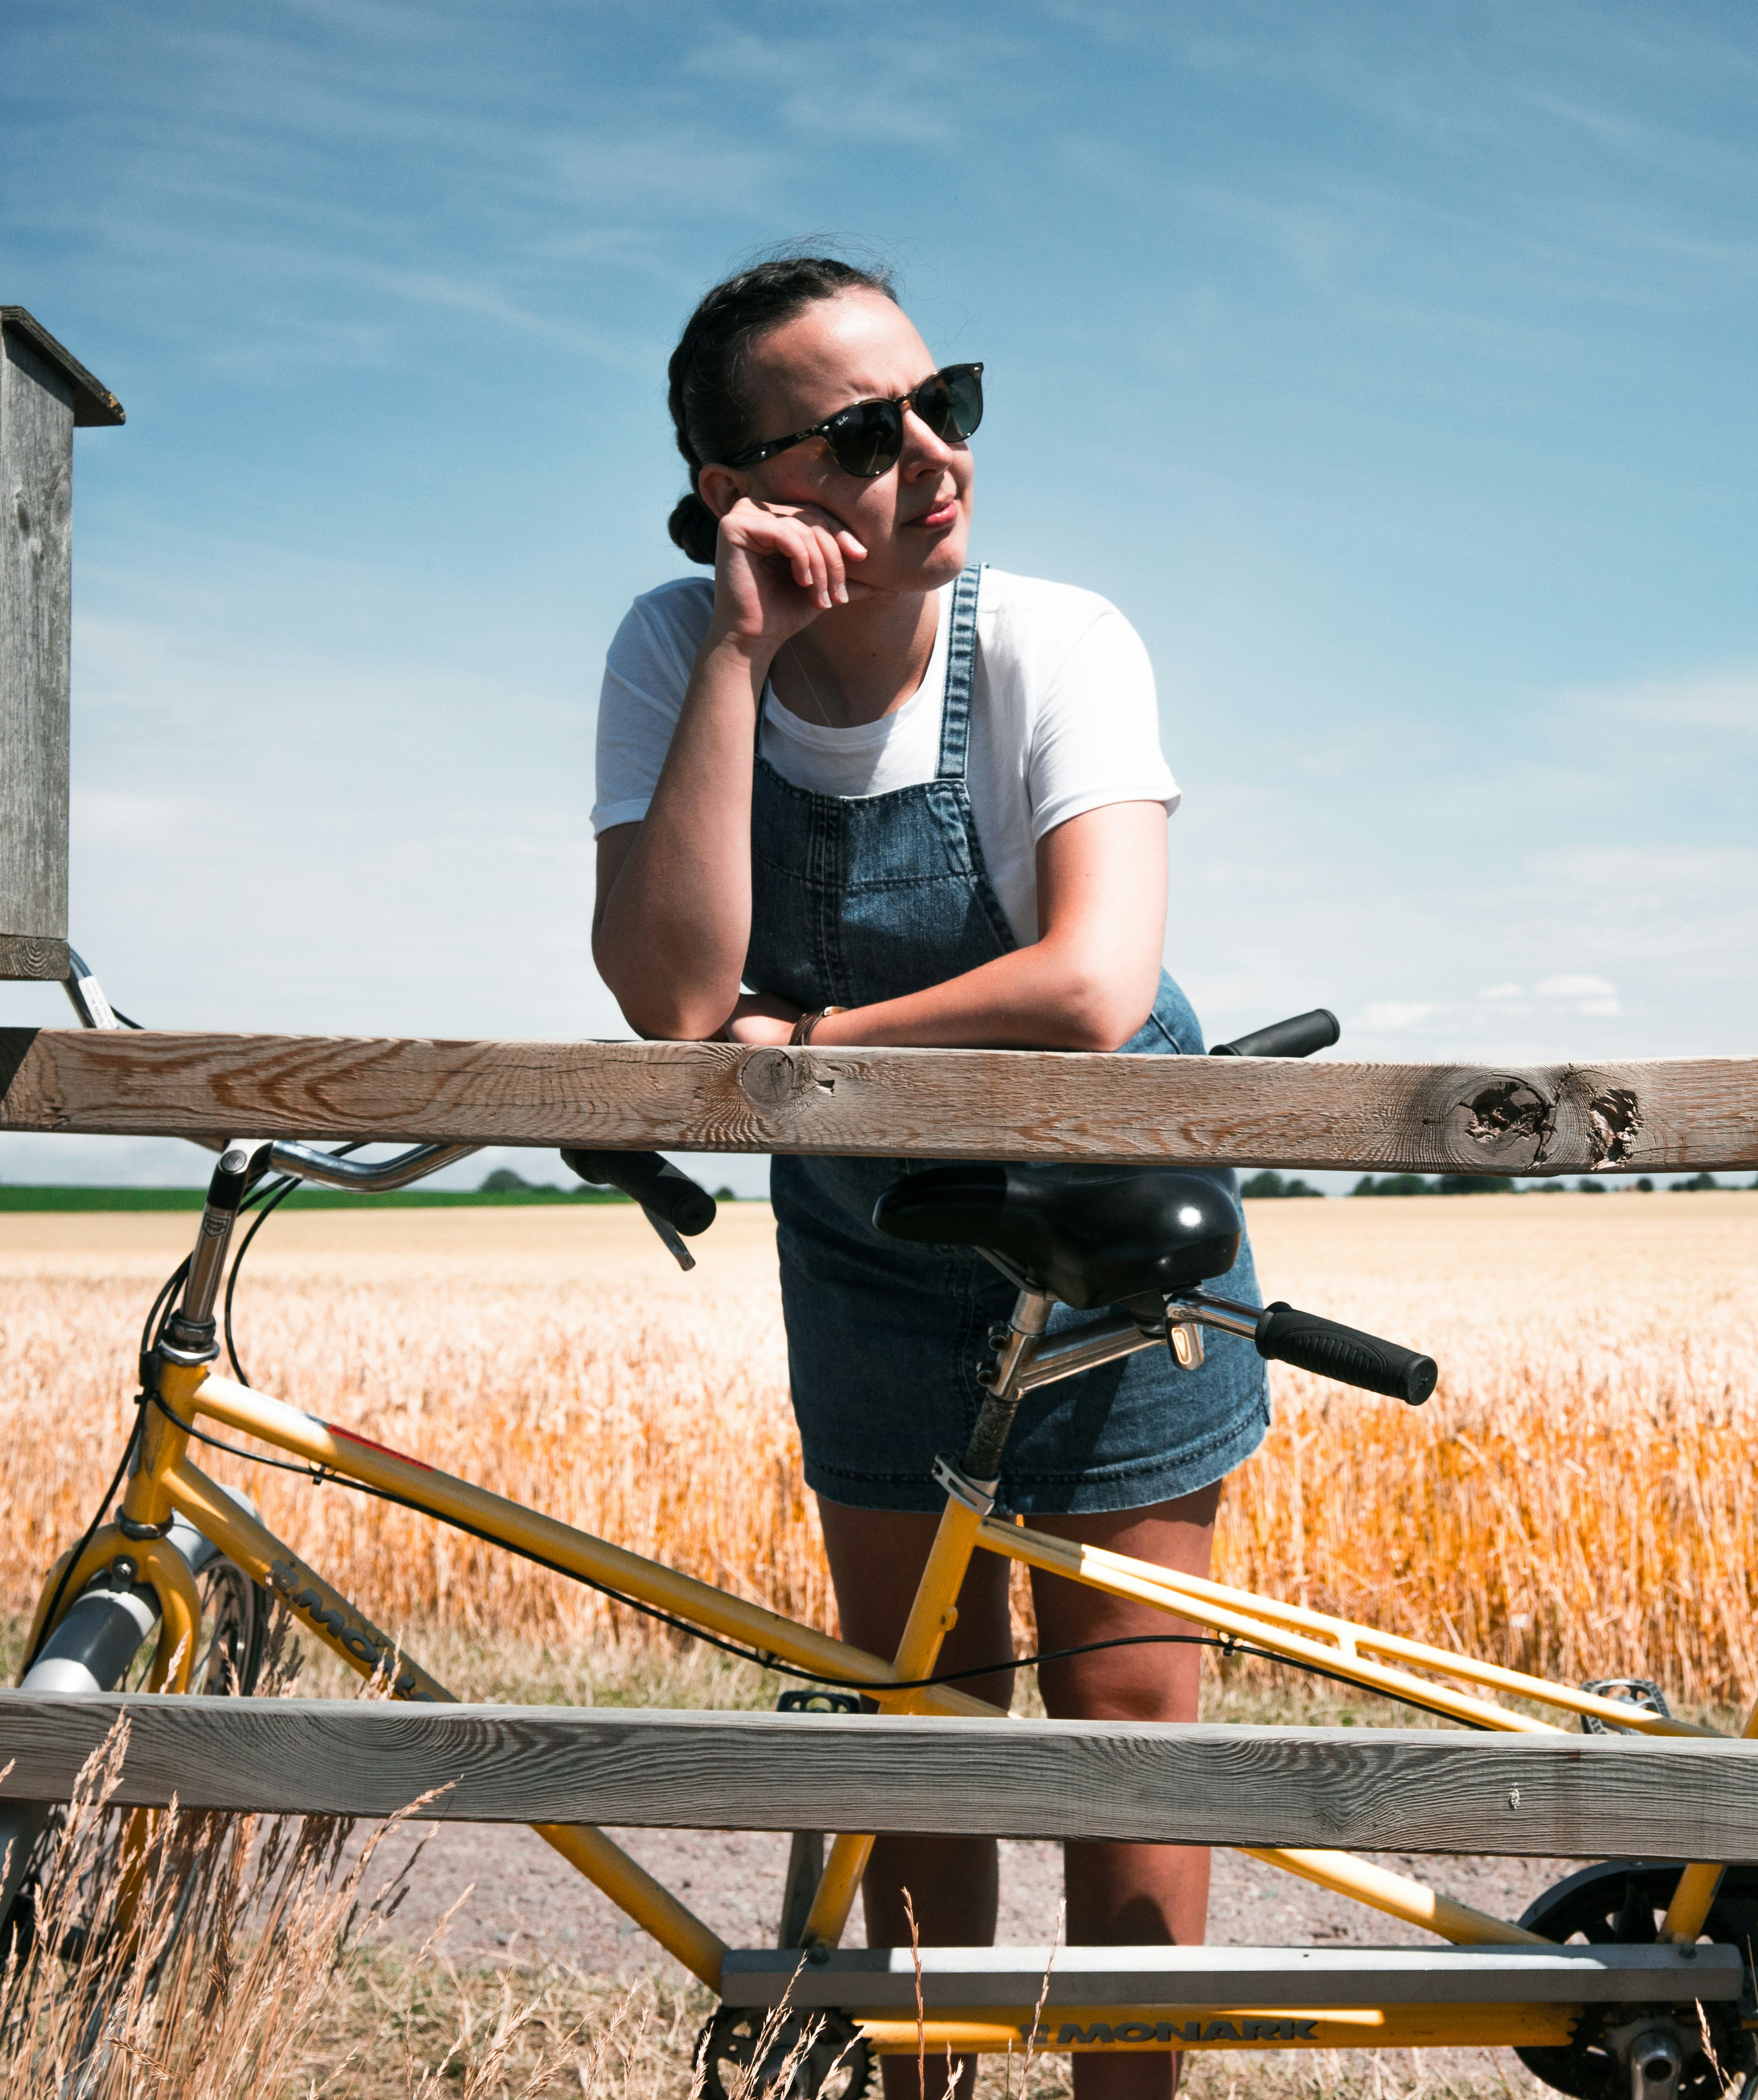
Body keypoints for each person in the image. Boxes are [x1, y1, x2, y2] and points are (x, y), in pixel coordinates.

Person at [588, 253, 1267, 2100]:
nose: (938, 455)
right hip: (877, 1235)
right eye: (869, 432)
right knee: (923, 1725)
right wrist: (738, 654)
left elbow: (1091, 984)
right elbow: (667, 997)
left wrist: (808, 1046)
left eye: (944, 399)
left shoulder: (1056, 639)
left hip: (1111, 1222)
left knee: (1126, 1736)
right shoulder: (676, 649)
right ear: (748, 493)